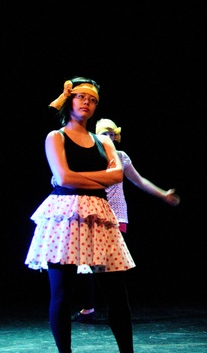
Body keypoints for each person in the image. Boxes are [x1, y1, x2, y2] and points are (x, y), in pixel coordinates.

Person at [25, 77, 163, 353]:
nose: (87, 102)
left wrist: (77, 176)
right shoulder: (56, 137)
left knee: (117, 294)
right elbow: (63, 178)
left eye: (93, 100)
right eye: (82, 97)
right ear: (70, 100)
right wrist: (89, 177)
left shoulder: (105, 142)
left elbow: (116, 176)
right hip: (65, 215)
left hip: (99, 215)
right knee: (62, 294)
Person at [70, 118, 182, 323]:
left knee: (109, 265)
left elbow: (139, 181)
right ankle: (88, 308)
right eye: (104, 134)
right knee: (85, 262)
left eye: (112, 134)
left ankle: (115, 307)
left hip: (116, 216)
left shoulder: (121, 157)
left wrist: (163, 194)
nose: (109, 137)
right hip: (92, 213)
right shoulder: (90, 156)